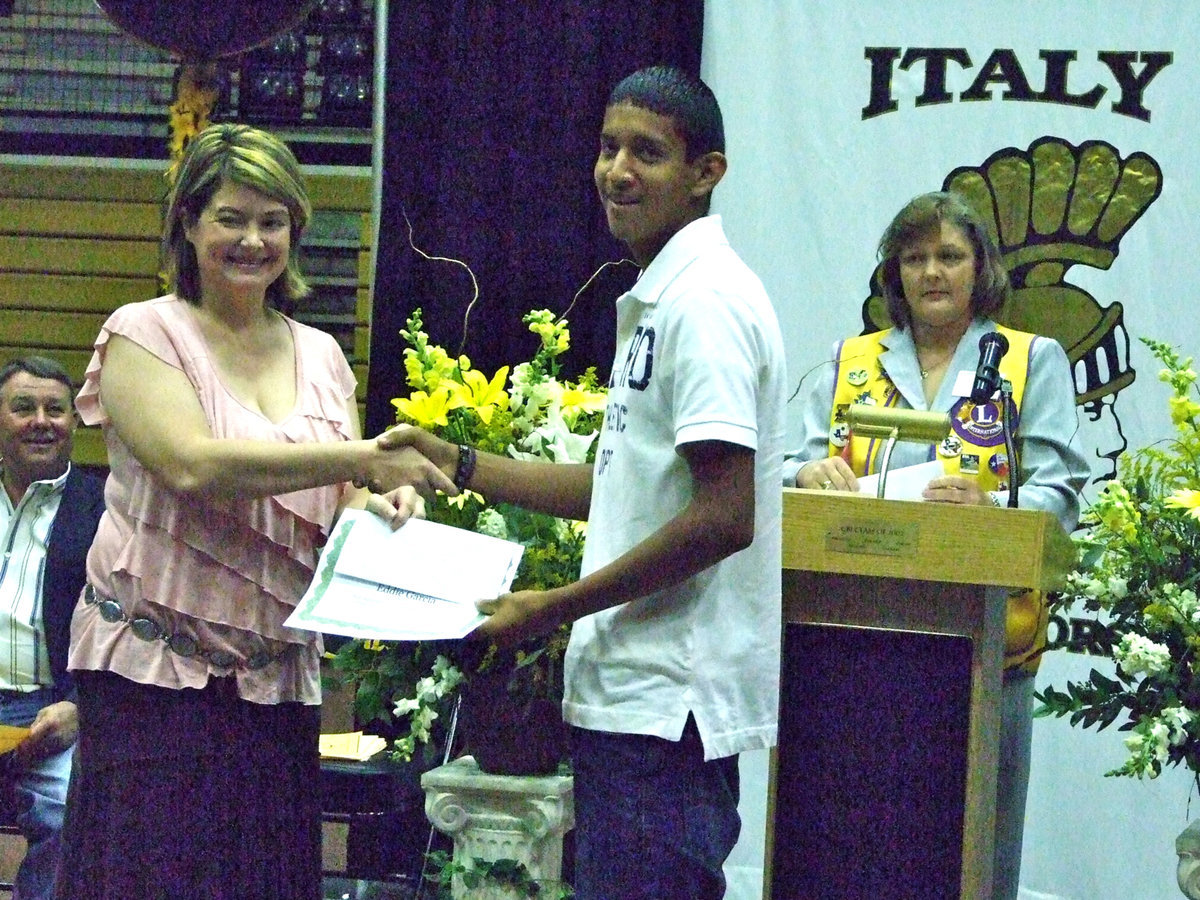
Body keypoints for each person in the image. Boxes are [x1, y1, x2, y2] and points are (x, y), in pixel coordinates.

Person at [383, 65, 787, 899]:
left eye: (648, 152)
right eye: (607, 148)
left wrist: (548, 609)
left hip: (665, 708)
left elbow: (722, 518)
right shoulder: (663, 293)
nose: (618, 171)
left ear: (707, 172)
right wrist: (456, 461)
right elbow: (618, 486)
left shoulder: (703, 304)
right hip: (632, 703)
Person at [53, 123, 455, 900]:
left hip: (276, 689)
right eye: (231, 218)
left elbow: (338, 503)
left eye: (272, 221)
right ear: (188, 226)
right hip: (152, 684)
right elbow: (192, 465)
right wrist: (363, 459)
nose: (251, 240)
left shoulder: (322, 353)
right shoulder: (145, 331)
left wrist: (383, 503)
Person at [783, 190, 1088, 899]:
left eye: (949, 255)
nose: (931, 272)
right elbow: (781, 467)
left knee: (976, 849)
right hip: (852, 631)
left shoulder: (1028, 360)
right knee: (846, 839)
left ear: (980, 268)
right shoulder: (848, 360)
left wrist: (994, 506)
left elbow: (1062, 492)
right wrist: (808, 470)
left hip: (988, 641)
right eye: (914, 257)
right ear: (894, 274)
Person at [0, 356, 103, 900]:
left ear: (74, 422)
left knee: (74, 814)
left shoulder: (108, 508)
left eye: (55, 410)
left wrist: (82, 707)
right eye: (23, 408)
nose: (41, 420)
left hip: (56, 712)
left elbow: (134, 626)